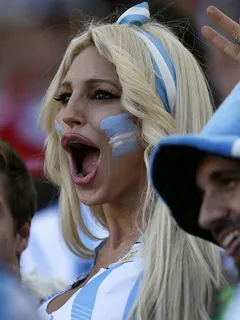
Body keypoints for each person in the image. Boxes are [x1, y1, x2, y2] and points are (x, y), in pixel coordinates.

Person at [38, 2, 225, 319]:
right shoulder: (55, 259)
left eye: (101, 94)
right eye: (64, 97)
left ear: (158, 119)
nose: (68, 114)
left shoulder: (215, 270)